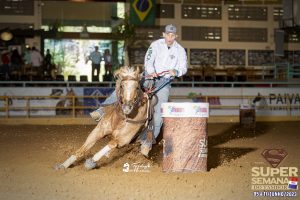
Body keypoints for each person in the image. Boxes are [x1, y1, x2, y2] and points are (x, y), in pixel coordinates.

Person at [90, 24, 187, 156]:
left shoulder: (180, 50)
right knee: (126, 88)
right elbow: (148, 60)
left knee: (158, 116)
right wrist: (151, 72)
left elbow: (183, 67)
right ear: (164, 34)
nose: (170, 37)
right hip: (149, 76)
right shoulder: (155, 45)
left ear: (176, 36)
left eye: (172, 35)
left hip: (164, 83)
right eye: (168, 34)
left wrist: (176, 71)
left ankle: (147, 143)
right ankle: (101, 110)